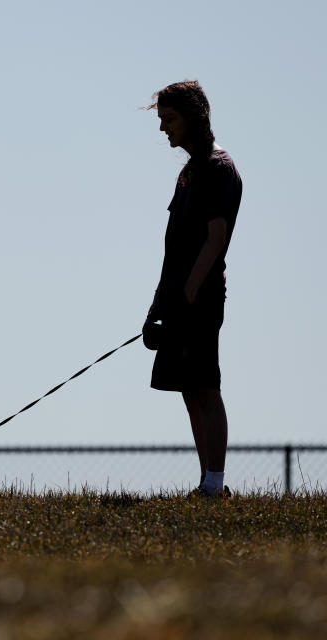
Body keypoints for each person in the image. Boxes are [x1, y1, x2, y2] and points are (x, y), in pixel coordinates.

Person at [145, 80, 242, 498]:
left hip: (199, 299)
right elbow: (174, 244)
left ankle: (216, 484)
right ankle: (206, 480)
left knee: (206, 386)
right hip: (176, 298)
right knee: (188, 389)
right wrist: (156, 306)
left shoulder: (219, 167)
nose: (163, 128)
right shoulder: (188, 172)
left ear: (193, 118)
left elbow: (216, 237)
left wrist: (188, 292)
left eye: (169, 119)